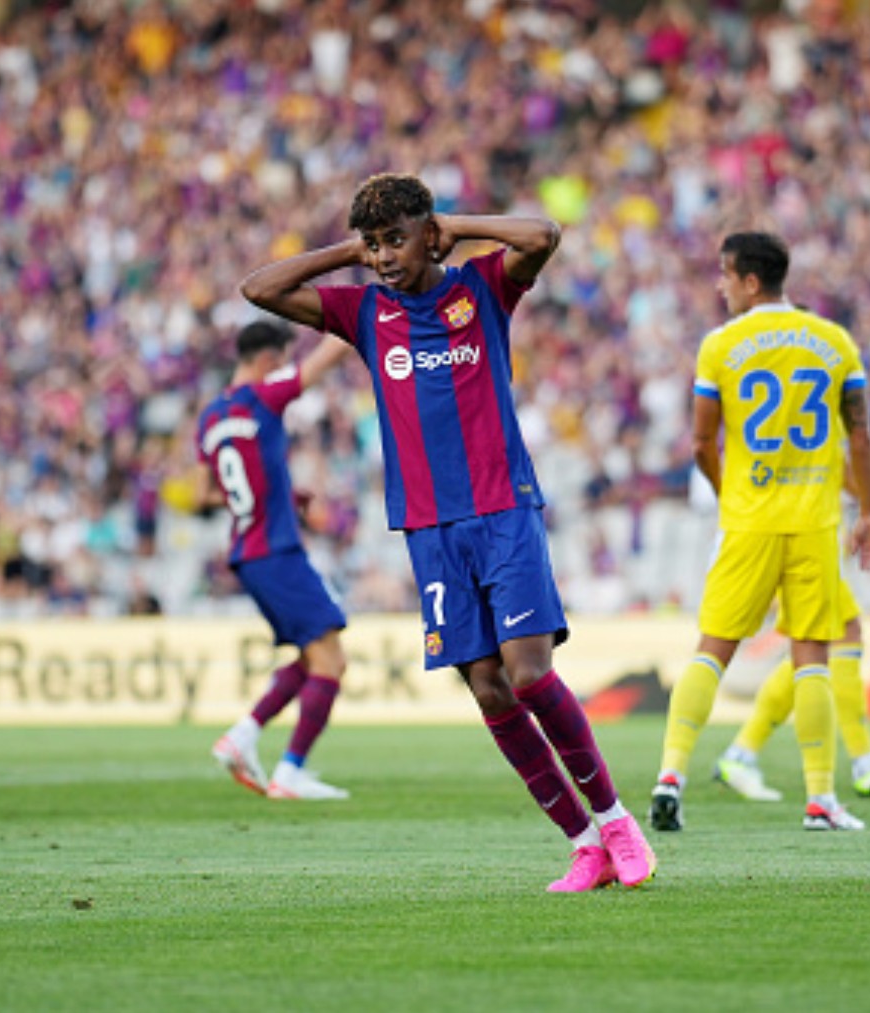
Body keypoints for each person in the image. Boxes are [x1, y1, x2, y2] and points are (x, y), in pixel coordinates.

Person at [241, 173, 656, 891]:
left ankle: (617, 818)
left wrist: (450, 225)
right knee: (489, 690)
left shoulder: (481, 287)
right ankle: (583, 842)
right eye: (373, 245)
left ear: (429, 233)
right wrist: (348, 250)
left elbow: (543, 237)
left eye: (394, 239)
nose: (382, 257)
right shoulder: (365, 311)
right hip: (429, 529)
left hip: (502, 509)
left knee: (528, 673)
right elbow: (259, 289)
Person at [651, 231, 870, 835]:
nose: (720, 286)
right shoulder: (834, 342)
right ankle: (819, 800)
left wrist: (731, 493)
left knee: (713, 649)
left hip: (748, 520)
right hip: (813, 524)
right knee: (811, 658)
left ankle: (670, 775)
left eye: (726, 275)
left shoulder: (722, 345)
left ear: (751, 281)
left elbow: (703, 441)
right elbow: (859, 436)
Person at [202, 321, 356, 801]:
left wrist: (286, 496)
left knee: (312, 657)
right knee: (332, 659)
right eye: (282, 360)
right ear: (269, 360)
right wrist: (362, 317)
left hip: (247, 552)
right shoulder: (263, 396)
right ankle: (290, 771)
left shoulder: (209, 418)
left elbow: (217, 489)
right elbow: (320, 363)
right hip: (276, 550)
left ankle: (243, 737)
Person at [715, 492, 870, 803]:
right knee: (842, 632)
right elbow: (840, 460)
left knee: (812, 650)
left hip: (795, 531)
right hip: (800, 535)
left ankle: (740, 753)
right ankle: (865, 762)